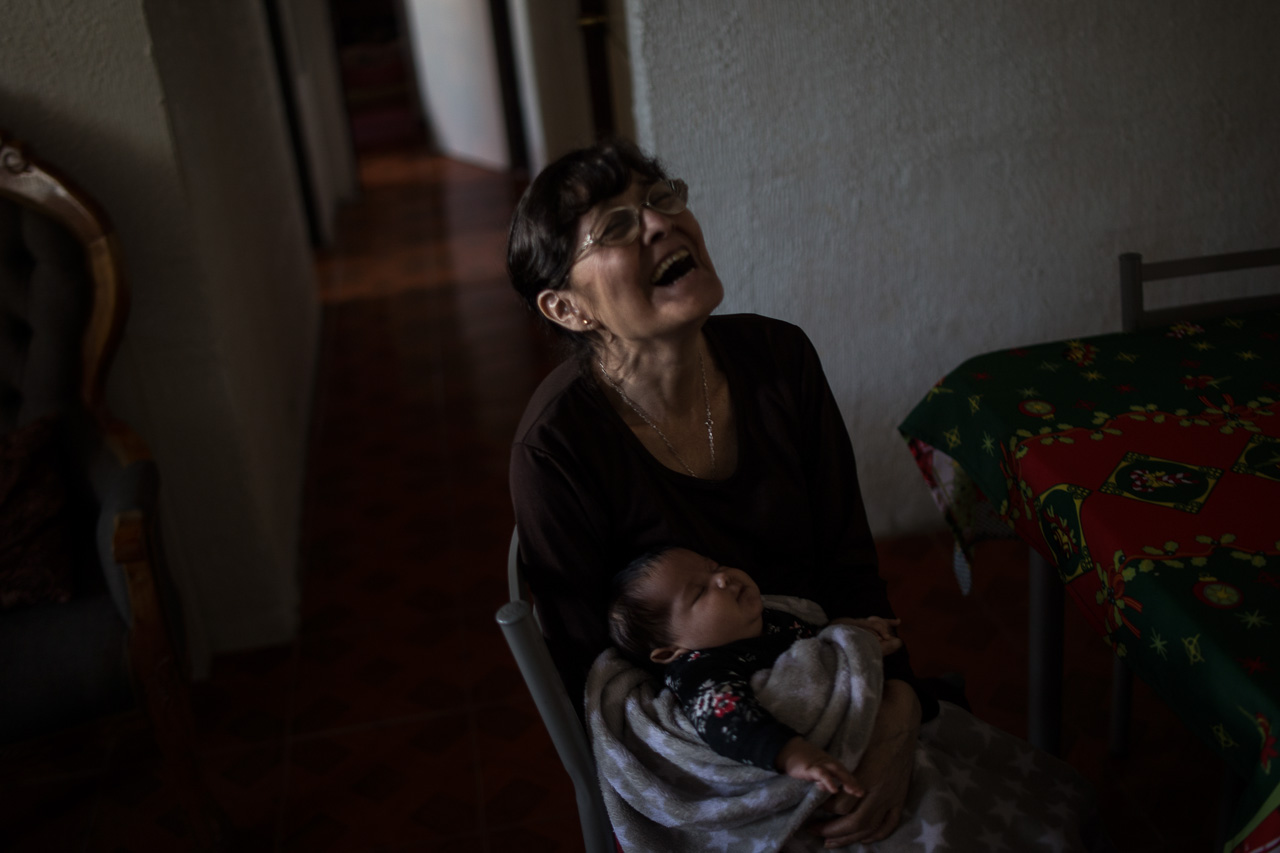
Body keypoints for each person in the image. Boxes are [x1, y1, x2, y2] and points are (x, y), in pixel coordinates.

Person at [508, 138, 931, 847]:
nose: (659, 223)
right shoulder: (557, 450)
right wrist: (768, 779)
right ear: (567, 307)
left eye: (662, 198)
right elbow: (599, 686)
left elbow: (852, 573)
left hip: (848, 693)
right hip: (713, 764)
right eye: (614, 227)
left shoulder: (780, 360)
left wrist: (896, 715)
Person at [608, 545, 902, 798]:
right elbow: (723, 717)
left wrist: (850, 633)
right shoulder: (699, 668)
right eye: (699, 593)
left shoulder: (771, 618)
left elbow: (815, 638)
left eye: (715, 567)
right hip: (793, 757)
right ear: (671, 652)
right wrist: (791, 754)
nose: (723, 578)